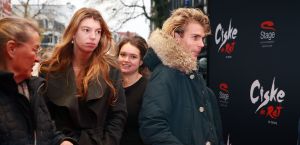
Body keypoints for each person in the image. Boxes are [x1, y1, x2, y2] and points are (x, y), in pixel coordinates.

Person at [39, 8, 127, 145]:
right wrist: (60, 140)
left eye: (98, 32)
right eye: (86, 30)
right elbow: (44, 115)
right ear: (73, 33)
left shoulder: (111, 69)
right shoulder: (50, 69)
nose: (93, 36)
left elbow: (118, 115)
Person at [139, 8, 224, 145]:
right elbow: (153, 128)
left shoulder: (191, 74)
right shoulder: (165, 74)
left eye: (202, 38)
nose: (202, 44)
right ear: (177, 37)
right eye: (195, 37)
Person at [0, 17, 76, 145]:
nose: (38, 59)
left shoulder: (34, 89)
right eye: (35, 50)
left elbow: (47, 133)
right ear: (11, 49)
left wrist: (62, 142)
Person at [116, 35, 148, 145]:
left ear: (141, 61)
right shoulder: (110, 85)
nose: (126, 60)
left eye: (133, 57)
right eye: (123, 55)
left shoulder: (148, 89)